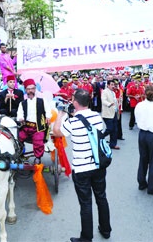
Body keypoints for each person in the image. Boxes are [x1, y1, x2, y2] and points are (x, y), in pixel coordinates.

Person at [53, 89, 111, 242]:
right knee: (101, 197)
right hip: (98, 165)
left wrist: (60, 114)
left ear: (75, 103)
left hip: (81, 168)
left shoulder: (72, 121)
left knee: (86, 204)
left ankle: (86, 238)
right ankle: (106, 230)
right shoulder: (97, 116)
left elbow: (56, 131)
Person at [17, 79, 51, 164]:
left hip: (38, 127)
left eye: (32, 89)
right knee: (18, 139)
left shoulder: (42, 101)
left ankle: (38, 158)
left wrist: (48, 117)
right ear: (25, 90)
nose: (30, 91)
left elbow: (48, 111)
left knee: (38, 141)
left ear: (35, 89)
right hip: (26, 127)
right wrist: (20, 118)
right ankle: (20, 154)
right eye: (28, 89)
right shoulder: (22, 103)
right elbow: (19, 114)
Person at [101, 80, 120, 150]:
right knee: (109, 129)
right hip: (107, 114)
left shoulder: (113, 93)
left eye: (113, 85)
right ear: (108, 85)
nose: (113, 86)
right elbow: (103, 100)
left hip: (114, 112)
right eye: (111, 85)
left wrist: (118, 109)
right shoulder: (105, 92)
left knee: (115, 130)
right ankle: (100, 137)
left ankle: (113, 144)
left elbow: (115, 102)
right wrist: (109, 104)